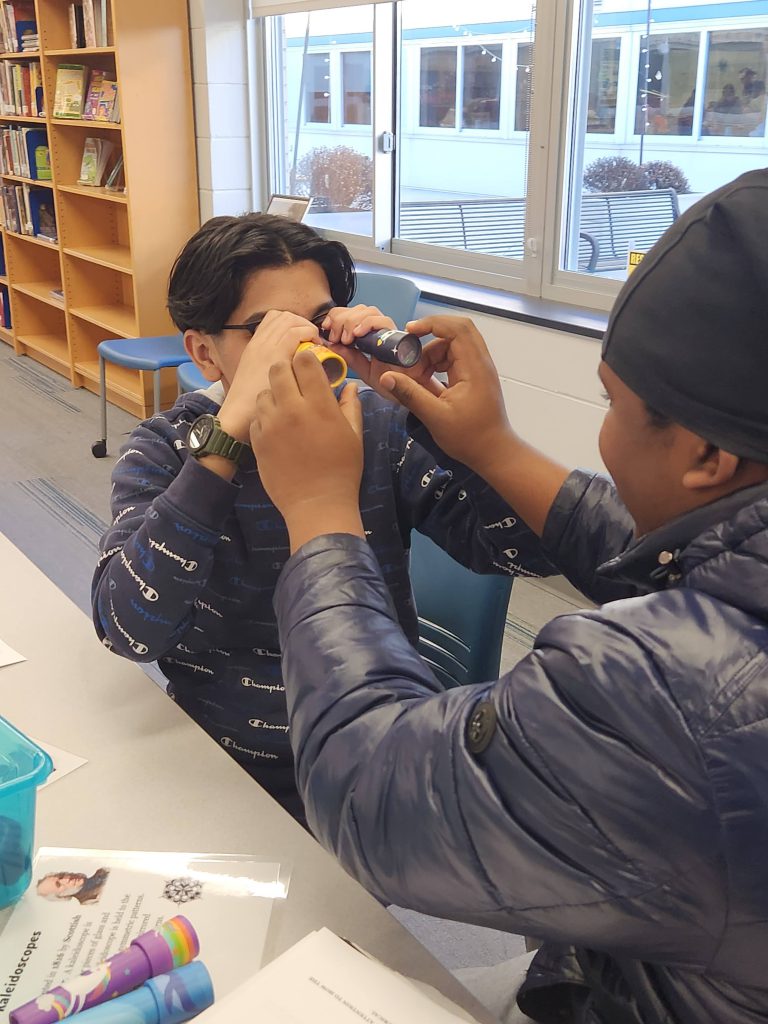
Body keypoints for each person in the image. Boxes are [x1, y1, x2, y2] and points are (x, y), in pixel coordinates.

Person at [250, 168, 768, 1023]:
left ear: (708, 456)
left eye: (610, 403)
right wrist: (494, 447)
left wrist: (316, 509)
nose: (601, 427)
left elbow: (373, 795)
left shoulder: (667, 696)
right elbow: (703, 559)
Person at [92, 212, 550, 823]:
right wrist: (225, 445)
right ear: (204, 352)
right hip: (222, 764)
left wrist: (431, 412)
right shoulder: (168, 451)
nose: (303, 348)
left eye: (317, 322)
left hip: (369, 758)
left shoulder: (376, 428)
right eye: (269, 332)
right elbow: (126, 628)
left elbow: (527, 548)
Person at [37, 869, 110, 905]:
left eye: (60, 876)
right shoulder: (90, 900)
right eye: (59, 884)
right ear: (62, 896)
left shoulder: (101, 872)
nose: (66, 879)